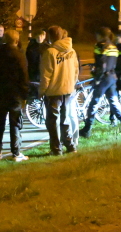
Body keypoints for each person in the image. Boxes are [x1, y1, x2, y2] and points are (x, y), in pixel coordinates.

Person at [79, 27, 121, 138]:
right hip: (112, 77)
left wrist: (97, 78)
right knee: (114, 101)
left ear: (101, 36)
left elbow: (101, 64)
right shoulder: (113, 47)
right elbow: (113, 63)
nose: (96, 37)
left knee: (94, 102)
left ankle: (87, 129)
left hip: (103, 78)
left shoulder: (99, 46)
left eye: (97, 35)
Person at [39, 26, 80, 155]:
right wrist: (71, 85)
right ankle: (70, 145)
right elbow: (75, 71)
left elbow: (46, 75)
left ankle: (56, 149)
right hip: (68, 90)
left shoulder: (50, 52)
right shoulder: (71, 51)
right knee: (65, 118)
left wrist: (42, 91)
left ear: (51, 37)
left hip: (54, 91)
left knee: (52, 121)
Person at [0, 30, 29, 162]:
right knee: (15, 123)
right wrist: (25, 94)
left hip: (1, 93)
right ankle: (16, 152)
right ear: (17, 41)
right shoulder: (20, 56)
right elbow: (24, 77)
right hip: (15, 94)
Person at [26, 29, 46, 98]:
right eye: (38, 37)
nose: (39, 38)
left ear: (44, 36)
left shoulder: (47, 47)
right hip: (33, 73)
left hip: (43, 73)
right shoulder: (31, 46)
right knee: (34, 92)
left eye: (41, 36)